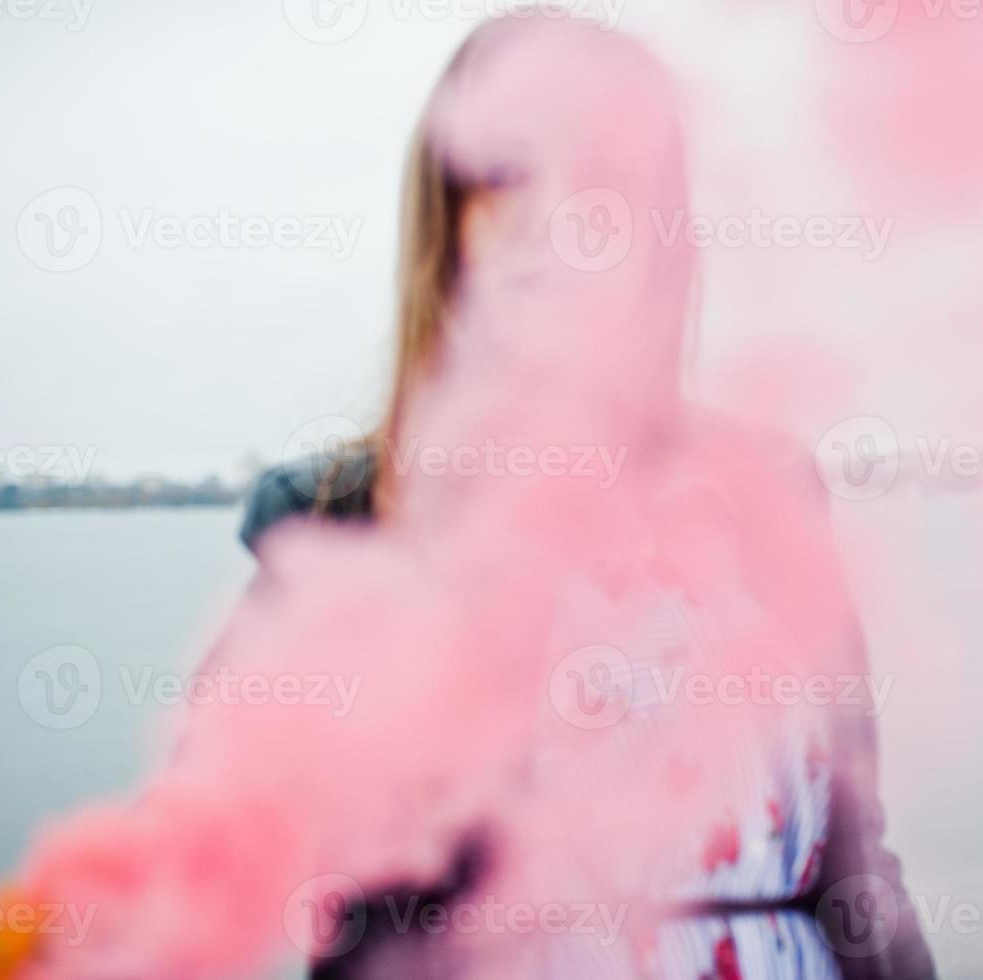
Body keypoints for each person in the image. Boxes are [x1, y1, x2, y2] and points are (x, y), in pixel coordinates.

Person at [241, 13, 935, 980]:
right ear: (450, 220)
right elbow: (252, 864)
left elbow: (858, 870)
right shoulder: (332, 521)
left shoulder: (767, 489)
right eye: (508, 173)